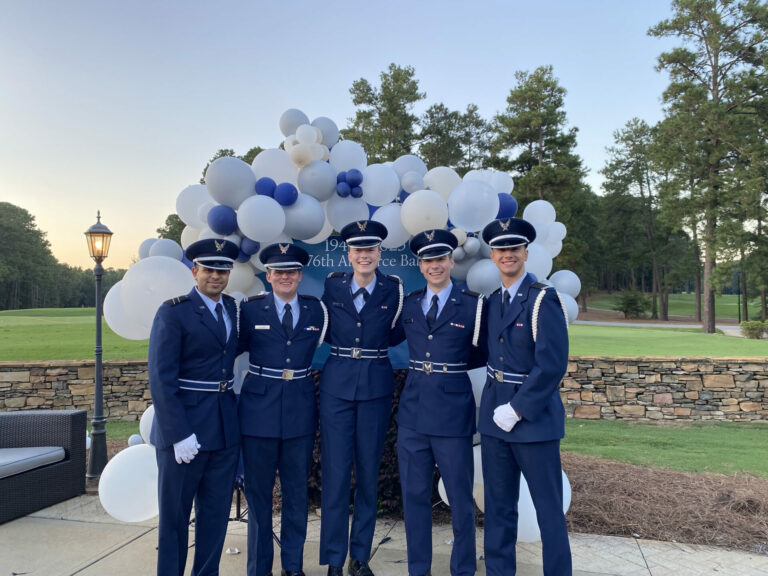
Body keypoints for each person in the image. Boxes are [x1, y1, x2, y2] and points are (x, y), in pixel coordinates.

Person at [479, 217, 572, 576]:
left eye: (514, 249)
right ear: (492, 255)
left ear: (526, 253)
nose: (508, 255)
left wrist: (517, 409)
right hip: (494, 418)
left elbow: (551, 365)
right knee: (499, 510)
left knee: (548, 511)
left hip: (532, 420)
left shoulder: (542, 299)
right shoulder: (492, 301)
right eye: (501, 249)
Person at [148, 238, 241, 576]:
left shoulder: (231, 308)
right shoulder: (173, 312)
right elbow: (161, 379)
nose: (216, 276)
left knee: (215, 518)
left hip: (223, 429)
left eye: (223, 270)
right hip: (184, 432)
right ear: (194, 271)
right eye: (209, 270)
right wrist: (178, 434)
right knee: (174, 519)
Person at [397, 229, 486, 576]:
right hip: (413, 414)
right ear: (420, 265)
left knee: (461, 500)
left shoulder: (473, 305)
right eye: (428, 260)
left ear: (451, 261)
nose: (435, 265)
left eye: (441, 258)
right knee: (415, 498)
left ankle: (462, 569)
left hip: (453, 413)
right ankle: (418, 569)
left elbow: (484, 353)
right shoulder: (409, 303)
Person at [319, 220, 405, 576]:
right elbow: (323, 330)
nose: (364, 255)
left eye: (370, 249)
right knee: (336, 475)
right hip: (337, 387)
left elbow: (398, 333)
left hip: (375, 389)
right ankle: (335, 560)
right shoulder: (333, 286)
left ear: (379, 253)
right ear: (349, 254)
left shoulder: (393, 290)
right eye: (358, 250)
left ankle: (359, 558)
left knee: (368, 475)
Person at [238, 242, 328, 576]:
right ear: (268, 275)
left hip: (299, 413)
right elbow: (226, 354)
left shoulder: (316, 311)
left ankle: (293, 567)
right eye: (278, 271)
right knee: (259, 496)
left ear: (300, 275)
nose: (285, 277)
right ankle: (259, 568)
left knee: (296, 496)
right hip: (257, 412)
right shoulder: (249, 310)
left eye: (291, 271)